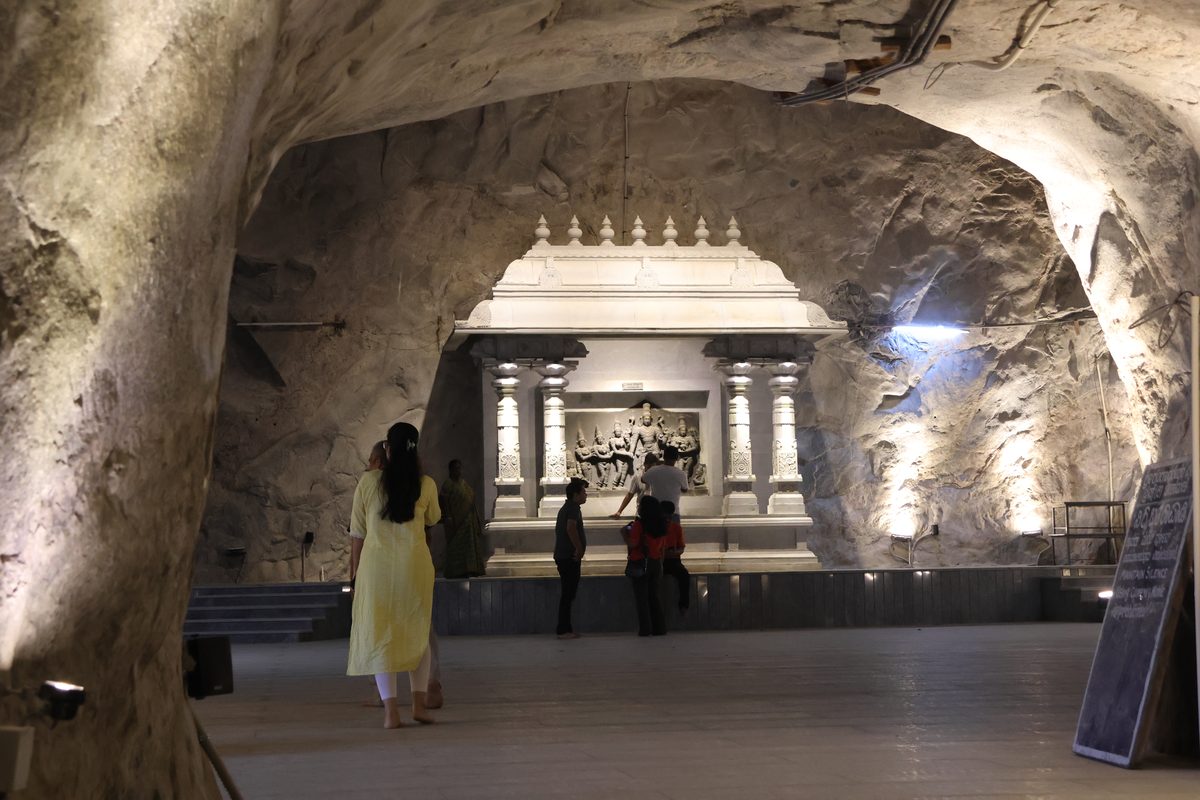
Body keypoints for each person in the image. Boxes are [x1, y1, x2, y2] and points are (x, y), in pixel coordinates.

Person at [347, 421, 441, 729]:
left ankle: (391, 712)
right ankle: (419, 705)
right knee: (418, 634)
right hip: (414, 567)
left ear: (387, 449)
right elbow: (434, 517)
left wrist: (355, 573)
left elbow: (358, 533)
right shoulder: (426, 484)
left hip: (376, 568)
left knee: (381, 636)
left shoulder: (368, 483)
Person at [622, 495, 669, 636]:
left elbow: (633, 544)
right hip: (656, 562)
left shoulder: (639, 525)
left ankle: (645, 629)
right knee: (654, 597)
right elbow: (663, 548)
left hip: (641, 562)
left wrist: (624, 533)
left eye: (640, 505)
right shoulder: (662, 524)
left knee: (641, 598)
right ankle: (659, 628)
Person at [554, 477, 588, 639]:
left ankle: (566, 628)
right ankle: (563, 630)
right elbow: (571, 527)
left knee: (568, 593)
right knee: (568, 593)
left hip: (564, 555)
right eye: (583, 491)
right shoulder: (573, 508)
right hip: (568, 556)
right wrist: (579, 548)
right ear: (575, 494)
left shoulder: (567, 507)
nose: (586, 494)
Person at [440, 459, 486, 579]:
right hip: (455, 523)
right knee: (455, 548)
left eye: (460, 468)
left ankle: (470, 569)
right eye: (456, 468)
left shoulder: (464, 484)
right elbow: (444, 503)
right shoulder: (448, 485)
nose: (458, 471)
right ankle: (455, 571)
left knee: (469, 547)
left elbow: (470, 500)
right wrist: (449, 516)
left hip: (467, 522)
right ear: (450, 470)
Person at [641, 445, 689, 520]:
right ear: (677, 458)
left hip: (657, 512)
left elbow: (643, 479)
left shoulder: (654, 470)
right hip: (673, 512)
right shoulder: (681, 474)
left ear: (663, 456)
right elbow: (685, 489)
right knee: (674, 531)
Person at [660, 501, 690, 613]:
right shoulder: (655, 528)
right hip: (659, 560)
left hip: (673, 560)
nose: (667, 519)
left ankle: (684, 605)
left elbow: (681, 548)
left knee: (684, 575)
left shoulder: (676, 528)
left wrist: (672, 553)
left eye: (669, 516)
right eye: (664, 516)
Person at [609, 453, 658, 520]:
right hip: (641, 513)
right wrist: (619, 511)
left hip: (656, 513)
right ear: (645, 464)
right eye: (649, 467)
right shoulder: (638, 477)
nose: (651, 470)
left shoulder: (659, 477)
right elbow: (629, 495)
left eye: (653, 468)